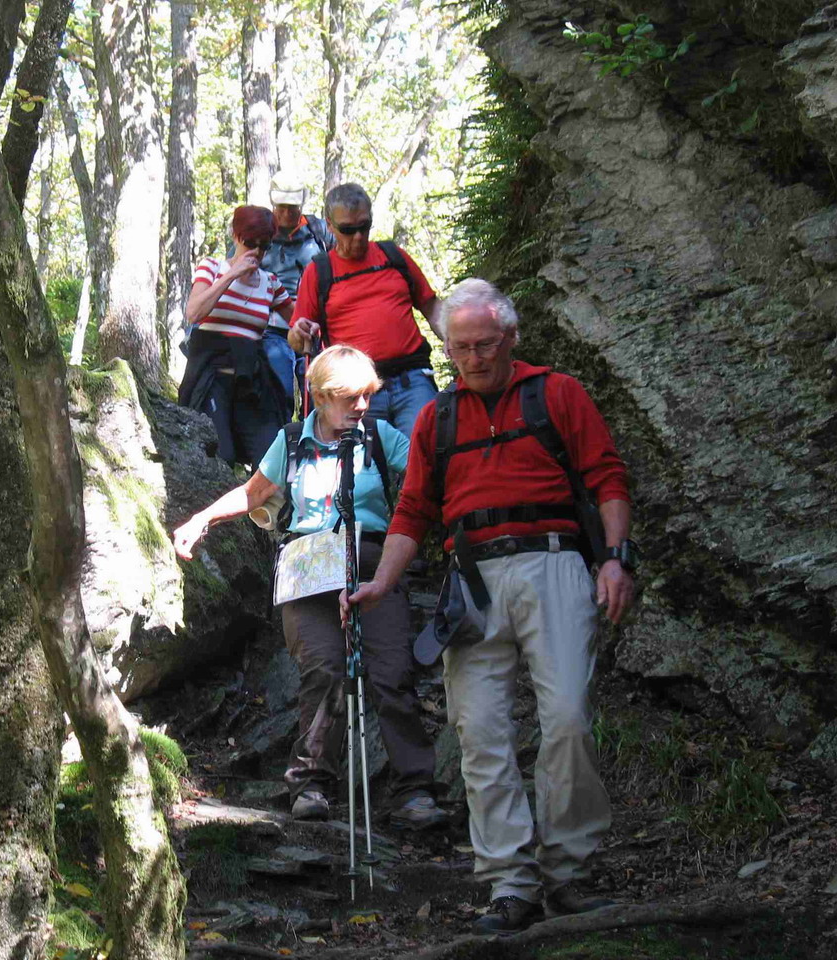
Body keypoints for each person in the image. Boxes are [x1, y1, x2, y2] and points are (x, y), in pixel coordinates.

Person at [344, 279, 638, 933]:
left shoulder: (557, 393)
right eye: (459, 348)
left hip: (555, 562)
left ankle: (569, 874)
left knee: (566, 718)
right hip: (470, 581)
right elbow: (414, 510)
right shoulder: (436, 418)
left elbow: (604, 475)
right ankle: (511, 884)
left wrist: (615, 557)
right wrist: (383, 583)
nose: (472, 359)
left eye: (483, 344)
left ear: (510, 338)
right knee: (478, 733)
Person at [173, 345, 449, 830]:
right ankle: (311, 784)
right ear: (319, 397)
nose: (362, 406)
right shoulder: (292, 440)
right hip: (307, 564)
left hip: (372, 559)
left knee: (390, 672)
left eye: (367, 395)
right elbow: (254, 492)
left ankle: (415, 790)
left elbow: (423, 482)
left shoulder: (382, 438)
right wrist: (202, 518)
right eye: (349, 397)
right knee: (322, 669)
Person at [287, 183, 443, 438]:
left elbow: (431, 306)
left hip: (412, 379)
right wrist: (300, 330)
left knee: (423, 455)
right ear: (330, 225)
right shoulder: (320, 271)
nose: (358, 236)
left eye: (364, 226)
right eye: (348, 230)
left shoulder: (393, 256)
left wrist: (456, 339)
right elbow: (295, 338)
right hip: (356, 393)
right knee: (364, 467)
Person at [179, 205, 293, 466]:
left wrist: (305, 326)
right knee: (221, 454)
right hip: (211, 378)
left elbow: (296, 320)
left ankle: (262, 506)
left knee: (270, 455)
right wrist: (231, 275)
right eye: (249, 242)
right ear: (235, 236)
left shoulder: (270, 282)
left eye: (264, 246)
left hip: (250, 381)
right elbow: (194, 313)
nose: (256, 251)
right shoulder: (212, 268)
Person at [260, 173, 334, 412]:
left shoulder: (319, 232)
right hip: (271, 328)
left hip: (312, 327)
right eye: (282, 207)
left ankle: (315, 441)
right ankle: (281, 440)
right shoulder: (259, 231)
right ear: (273, 204)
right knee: (277, 388)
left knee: (316, 391)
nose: (287, 213)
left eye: (293, 207)